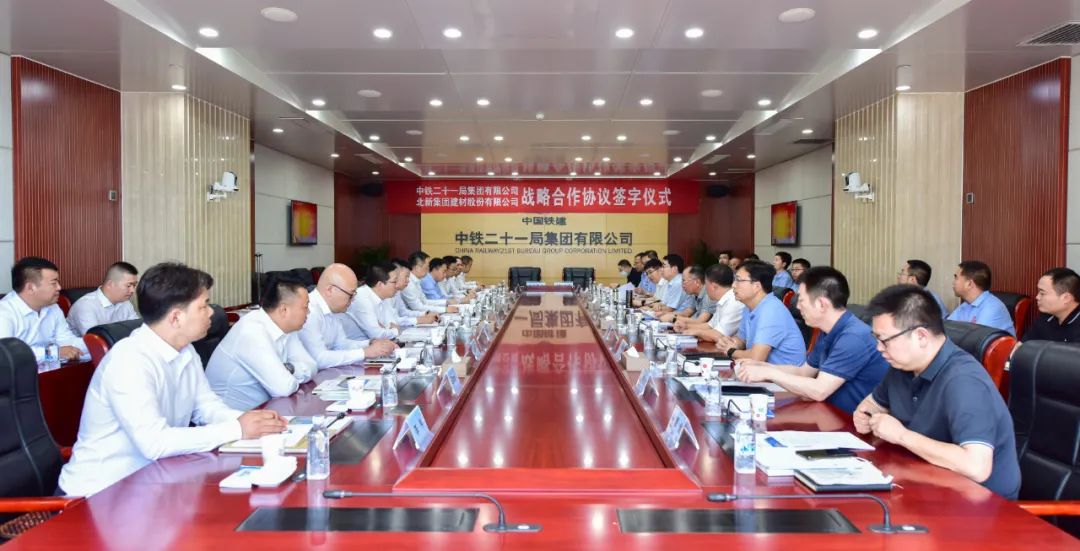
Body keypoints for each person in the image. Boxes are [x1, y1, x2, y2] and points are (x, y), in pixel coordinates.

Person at [57, 262, 288, 496]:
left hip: (153, 482)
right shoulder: (129, 360)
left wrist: (249, 421)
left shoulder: (185, 350)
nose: (211, 312)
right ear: (176, 317)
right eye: (203, 306)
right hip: (97, 495)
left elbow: (206, 407)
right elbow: (155, 442)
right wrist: (236, 429)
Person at [854, 285, 1020, 499]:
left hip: (978, 504)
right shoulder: (902, 366)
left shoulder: (964, 380)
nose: (879, 348)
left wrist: (902, 435)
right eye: (876, 338)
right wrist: (865, 415)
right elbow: (873, 404)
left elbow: (976, 467)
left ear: (921, 336)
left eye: (884, 340)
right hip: (922, 484)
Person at [735, 267, 889, 414]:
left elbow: (820, 390)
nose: (797, 306)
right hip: (828, 414)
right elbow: (803, 372)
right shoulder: (827, 331)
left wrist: (769, 373)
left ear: (821, 304)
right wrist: (763, 366)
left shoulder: (853, 337)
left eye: (801, 300)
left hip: (852, 423)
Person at [206, 275, 317, 410]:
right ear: (284, 310)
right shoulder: (251, 332)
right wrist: (291, 373)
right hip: (232, 416)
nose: (309, 312)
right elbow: (284, 388)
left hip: (265, 409)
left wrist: (288, 368)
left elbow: (312, 366)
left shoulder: (287, 328)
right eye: (305, 307)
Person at [298, 263, 397, 369]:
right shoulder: (309, 311)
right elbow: (320, 359)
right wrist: (365, 352)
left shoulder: (333, 308)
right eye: (350, 295)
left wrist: (369, 343)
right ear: (330, 290)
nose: (353, 300)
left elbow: (341, 344)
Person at [715, 260, 805, 365]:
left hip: (784, 373)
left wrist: (731, 351)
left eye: (738, 280)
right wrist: (730, 343)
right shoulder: (749, 307)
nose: (733, 285)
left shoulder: (771, 310)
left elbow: (756, 357)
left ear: (756, 286)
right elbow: (742, 339)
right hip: (760, 370)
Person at [0, 256, 88, 362]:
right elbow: (6, 355)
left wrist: (97, 343)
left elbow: (66, 340)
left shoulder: (53, 307)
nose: (59, 287)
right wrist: (54, 353)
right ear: (30, 288)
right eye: (54, 283)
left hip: (50, 370)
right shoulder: (4, 313)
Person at [66, 261, 140, 336]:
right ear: (111, 284)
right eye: (128, 286)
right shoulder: (85, 306)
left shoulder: (125, 303)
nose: (132, 290)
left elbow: (137, 330)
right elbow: (94, 339)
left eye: (134, 285)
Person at [674, 263, 744, 340]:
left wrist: (695, 332)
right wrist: (686, 326)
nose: (705, 288)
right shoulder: (723, 300)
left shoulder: (733, 302)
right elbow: (709, 326)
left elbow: (719, 335)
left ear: (713, 286)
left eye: (706, 284)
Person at [947, 261, 1015, 336]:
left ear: (969, 284)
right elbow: (946, 329)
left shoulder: (992, 307)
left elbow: (975, 338)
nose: (953, 282)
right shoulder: (966, 305)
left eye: (956, 277)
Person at [339, 261, 401, 341]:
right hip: (357, 345)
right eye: (395, 281)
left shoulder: (383, 297)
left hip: (374, 344)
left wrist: (387, 328)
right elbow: (377, 335)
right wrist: (394, 331)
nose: (397, 285)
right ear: (380, 284)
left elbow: (393, 323)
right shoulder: (361, 298)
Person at [1020, 267, 1080, 344]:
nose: (1037, 297)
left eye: (1042, 293)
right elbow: (1023, 345)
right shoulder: (1046, 317)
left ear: (1066, 298)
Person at [389, 259, 438, 327]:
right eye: (406, 276)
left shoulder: (397, 292)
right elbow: (391, 321)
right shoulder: (387, 294)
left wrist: (426, 314)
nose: (408, 280)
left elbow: (403, 312)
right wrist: (419, 320)